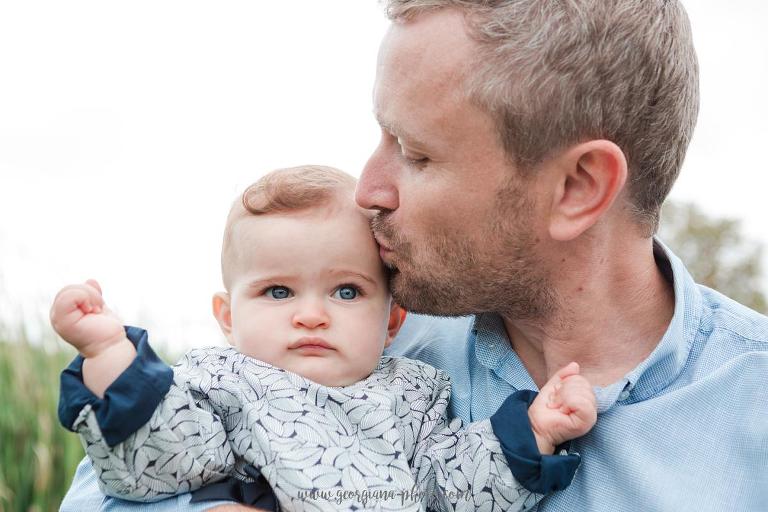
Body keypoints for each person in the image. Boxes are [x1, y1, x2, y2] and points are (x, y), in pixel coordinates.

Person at [59, 0, 768, 510]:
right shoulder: (321, 352)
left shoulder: (751, 417)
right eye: (382, 138)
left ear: (578, 187)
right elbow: (132, 471)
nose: (367, 189)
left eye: (416, 153)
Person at [53, 165, 597, 511]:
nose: (312, 316)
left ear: (391, 321)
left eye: (345, 292)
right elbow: (161, 457)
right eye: (278, 292)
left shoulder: (415, 392)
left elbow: (451, 481)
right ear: (227, 315)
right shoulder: (216, 380)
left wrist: (532, 432)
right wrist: (110, 355)